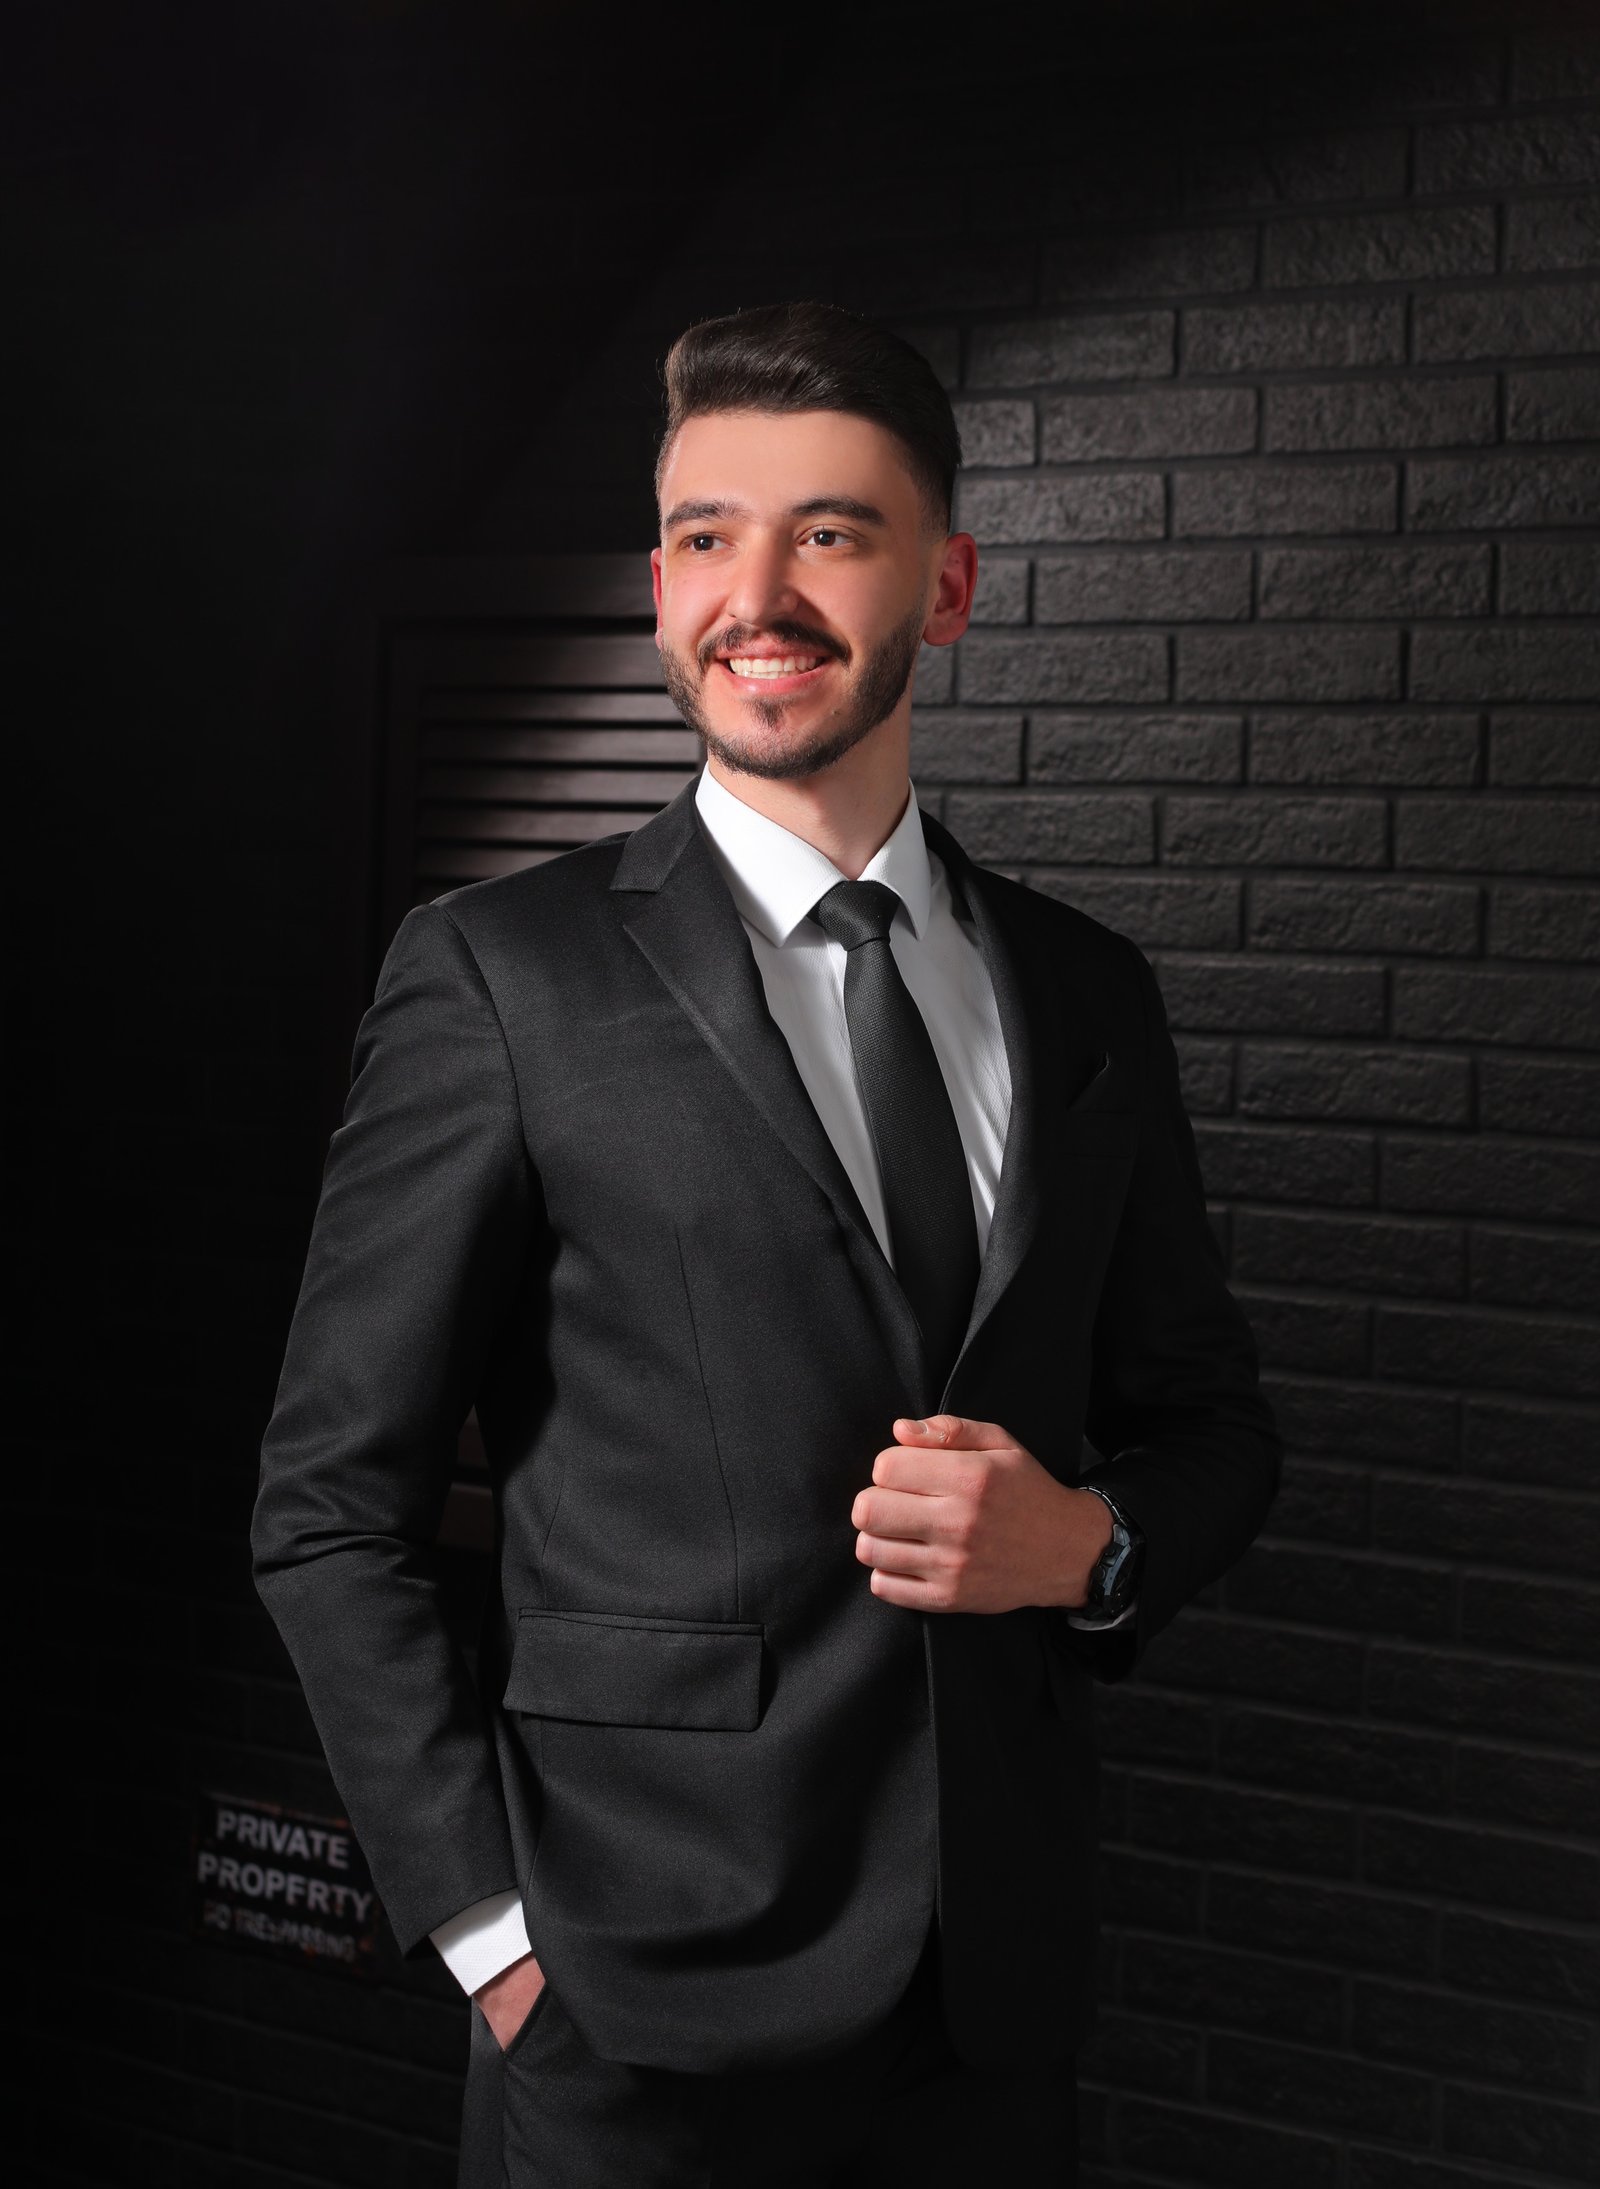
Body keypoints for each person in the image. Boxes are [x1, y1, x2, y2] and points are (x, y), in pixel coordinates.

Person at [251, 299, 1281, 2187]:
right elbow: (329, 1508)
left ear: (946, 585)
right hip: (628, 2014)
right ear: (659, 589)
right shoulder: (499, 977)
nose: (759, 595)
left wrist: (1090, 1545)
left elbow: (1215, 1422)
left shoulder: (1089, 996)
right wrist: (494, 1941)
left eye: (828, 532)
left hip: (991, 2012)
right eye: (707, 537)